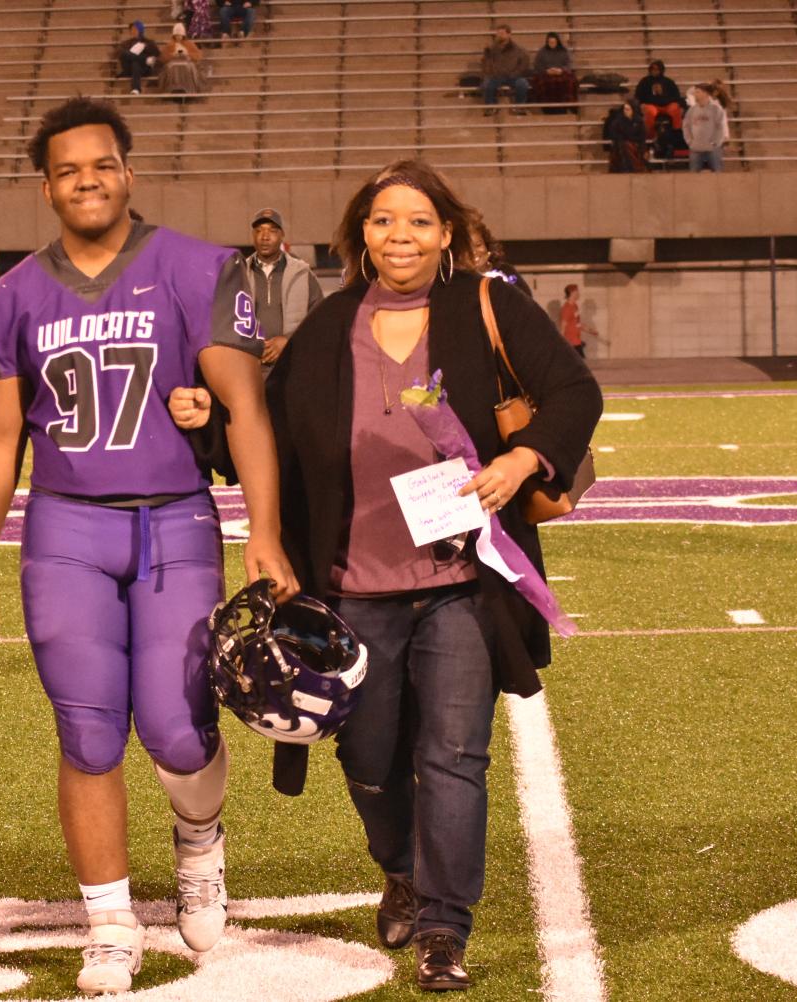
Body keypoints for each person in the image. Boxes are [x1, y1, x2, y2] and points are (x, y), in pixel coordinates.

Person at [171, 159, 602, 992]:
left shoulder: (487, 304)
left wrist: (521, 459)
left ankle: (443, 927)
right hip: (352, 587)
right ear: (359, 235)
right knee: (366, 755)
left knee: (454, 755)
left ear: (445, 233)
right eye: (381, 221)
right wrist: (208, 420)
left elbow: (572, 393)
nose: (397, 235)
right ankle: (399, 865)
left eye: (415, 221)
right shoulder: (331, 327)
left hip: (460, 583)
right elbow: (276, 438)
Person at [0, 96, 299, 996]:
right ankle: (108, 921)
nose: (87, 181)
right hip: (66, 526)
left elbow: (246, 407)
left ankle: (198, 841)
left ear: (127, 172)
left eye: (101, 164)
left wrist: (263, 530)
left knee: (178, 729)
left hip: (174, 516)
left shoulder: (194, 266)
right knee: (88, 731)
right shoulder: (8, 298)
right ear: (46, 187)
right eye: (68, 170)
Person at [245, 208, 322, 370]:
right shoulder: (239, 273)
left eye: (272, 231)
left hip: (291, 365)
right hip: (250, 366)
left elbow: (319, 317)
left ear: (282, 235)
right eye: (259, 231)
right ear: (253, 236)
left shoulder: (301, 273)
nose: (265, 237)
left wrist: (288, 340)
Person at [464, 211, 533, 299]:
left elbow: (527, 301)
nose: (474, 252)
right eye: (467, 248)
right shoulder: (459, 280)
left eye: (478, 245)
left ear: (486, 244)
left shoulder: (506, 271)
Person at [480, 25, 531, 113]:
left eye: (502, 33)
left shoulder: (518, 49)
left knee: (522, 83)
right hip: (496, 76)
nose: (500, 35)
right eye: (498, 33)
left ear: (509, 34)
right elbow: (485, 64)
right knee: (487, 83)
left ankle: (519, 106)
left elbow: (524, 63)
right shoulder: (491, 49)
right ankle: (491, 107)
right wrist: (487, 54)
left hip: (513, 76)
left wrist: (515, 74)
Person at [684, 83, 727, 172]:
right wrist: (690, 142)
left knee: (718, 176)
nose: (695, 94)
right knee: (693, 177)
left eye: (698, 92)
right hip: (696, 148)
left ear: (706, 93)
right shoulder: (691, 110)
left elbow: (721, 127)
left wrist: (715, 143)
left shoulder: (716, 109)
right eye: (695, 92)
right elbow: (686, 126)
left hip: (712, 149)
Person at [636, 60, 683, 138]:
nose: (655, 71)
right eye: (653, 69)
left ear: (661, 70)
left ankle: (677, 134)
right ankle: (650, 136)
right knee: (649, 111)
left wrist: (679, 105)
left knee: (675, 109)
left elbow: (676, 96)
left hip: (667, 105)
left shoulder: (668, 82)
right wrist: (641, 104)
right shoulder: (644, 81)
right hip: (651, 105)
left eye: (657, 69)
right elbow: (639, 95)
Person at [531, 32, 576, 111]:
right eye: (550, 42)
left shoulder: (564, 51)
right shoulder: (542, 52)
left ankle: (564, 106)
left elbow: (569, 64)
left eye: (553, 42)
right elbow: (537, 65)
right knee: (543, 82)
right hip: (546, 74)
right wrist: (546, 71)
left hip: (561, 73)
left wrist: (561, 70)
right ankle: (547, 107)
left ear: (557, 42)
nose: (552, 44)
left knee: (568, 81)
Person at [158, 22, 207, 95]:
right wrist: (172, 55)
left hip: (188, 63)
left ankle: (188, 89)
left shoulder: (190, 44)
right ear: (174, 35)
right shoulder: (169, 45)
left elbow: (198, 56)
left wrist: (187, 54)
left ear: (183, 35)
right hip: (173, 64)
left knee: (189, 67)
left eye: (180, 35)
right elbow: (162, 58)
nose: (178, 37)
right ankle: (173, 88)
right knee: (171, 67)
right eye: (176, 35)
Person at [116, 21, 160, 94]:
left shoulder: (149, 42)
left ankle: (136, 89)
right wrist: (144, 59)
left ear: (140, 30)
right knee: (126, 54)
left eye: (135, 29)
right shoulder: (126, 43)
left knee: (135, 63)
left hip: (144, 69)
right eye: (131, 30)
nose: (133, 31)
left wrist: (146, 47)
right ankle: (145, 60)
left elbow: (157, 54)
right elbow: (120, 55)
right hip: (128, 69)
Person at [604, 101, 648, 173]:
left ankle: (633, 168)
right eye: (625, 109)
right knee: (624, 146)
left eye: (628, 109)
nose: (626, 111)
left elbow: (642, 136)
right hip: (621, 144)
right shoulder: (618, 121)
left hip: (635, 144)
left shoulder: (639, 121)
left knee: (630, 147)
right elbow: (614, 134)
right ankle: (626, 168)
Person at [560, 284, 594, 357]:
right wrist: (562, 344)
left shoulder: (575, 306)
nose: (579, 293)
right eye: (577, 291)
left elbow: (577, 323)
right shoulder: (567, 308)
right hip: (571, 343)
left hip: (577, 341)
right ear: (572, 293)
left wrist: (589, 330)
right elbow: (563, 326)